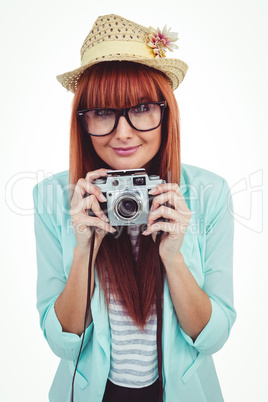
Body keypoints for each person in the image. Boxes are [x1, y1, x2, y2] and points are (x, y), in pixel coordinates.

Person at [33, 14, 236, 402]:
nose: (123, 132)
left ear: (165, 113)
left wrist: (173, 258)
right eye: (104, 113)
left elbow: (212, 338)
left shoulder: (210, 192)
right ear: (83, 121)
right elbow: (64, 346)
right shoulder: (52, 197)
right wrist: (83, 252)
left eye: (142, 107)